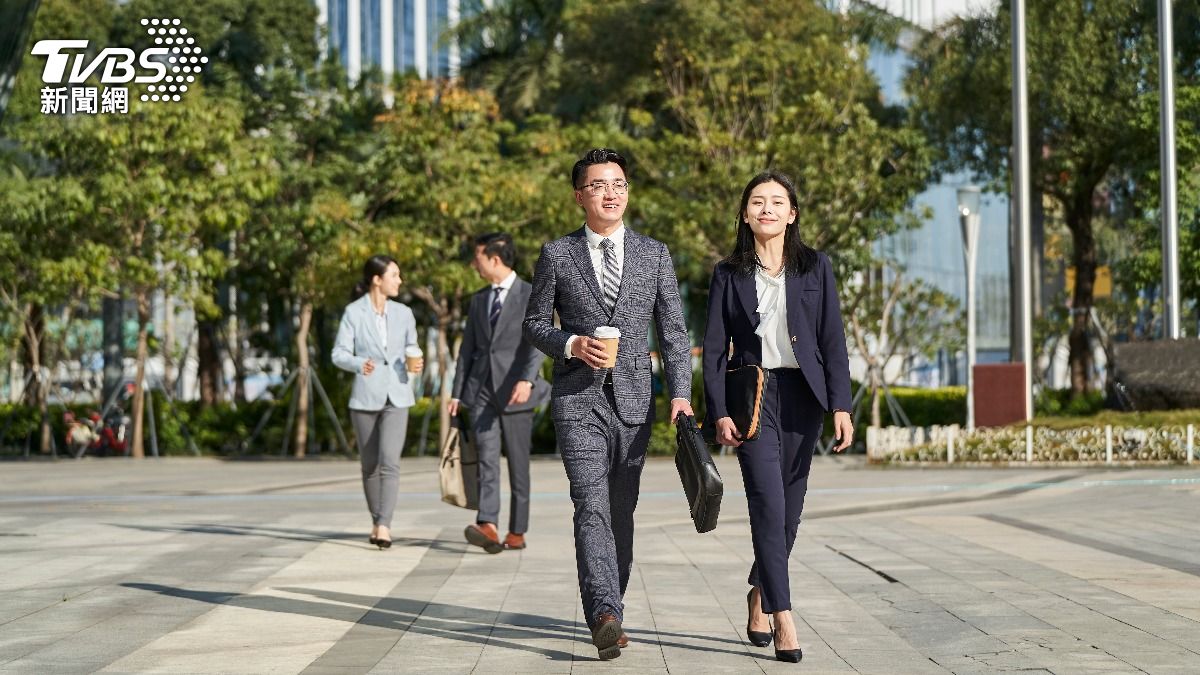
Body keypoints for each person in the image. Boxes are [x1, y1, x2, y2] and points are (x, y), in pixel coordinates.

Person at [523, 148, 694, 661]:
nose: (610, 192)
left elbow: (675, 332)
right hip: (577, 399)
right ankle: (602, 613)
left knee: (621, 511)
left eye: (618, 183)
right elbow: (534, 324)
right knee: (590, 505)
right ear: (580, 195)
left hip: (635, 400)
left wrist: (681, 394)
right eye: (598, 185)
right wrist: (571, 344)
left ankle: (611, 603)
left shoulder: (654, 254)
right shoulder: (557, 254)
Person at [702, 171, 854, 663]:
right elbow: (711, 349)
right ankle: (784, 616)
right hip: (753, 397)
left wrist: (841, 405)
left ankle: (758, 590)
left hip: (803, 398)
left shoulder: (816, 267)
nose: (766, 209)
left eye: (777, 202)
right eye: (757, 202)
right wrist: (718, 410)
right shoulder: (728, 273)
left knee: (789, 512)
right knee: (767, 504)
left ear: (792, 213)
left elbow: (832, 340)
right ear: (745, 214)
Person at [449, 233, 549, 553]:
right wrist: (457, 393)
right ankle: (488, 525)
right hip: (481, 393)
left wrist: (527, 380)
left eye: (477, 258)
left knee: (518, 465)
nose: (473, 264)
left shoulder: (531, 294)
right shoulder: (478, 300)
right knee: (486, 461)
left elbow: (538, 342)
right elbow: (467, 351)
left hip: (516, 391)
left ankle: (517, 530)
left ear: (494, 259)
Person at [332, 255, 424, 550]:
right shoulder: (353, 313)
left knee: (389, 461)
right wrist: (359, 363)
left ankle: (384, 524)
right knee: (370, 464)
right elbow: (338, 353)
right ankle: (376, 519)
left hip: (397, 394)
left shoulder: (404, 313)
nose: (399, 281)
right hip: (365, 396)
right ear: (377, 279)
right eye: (394, 275)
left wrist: (416, 364)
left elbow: (413, 348)